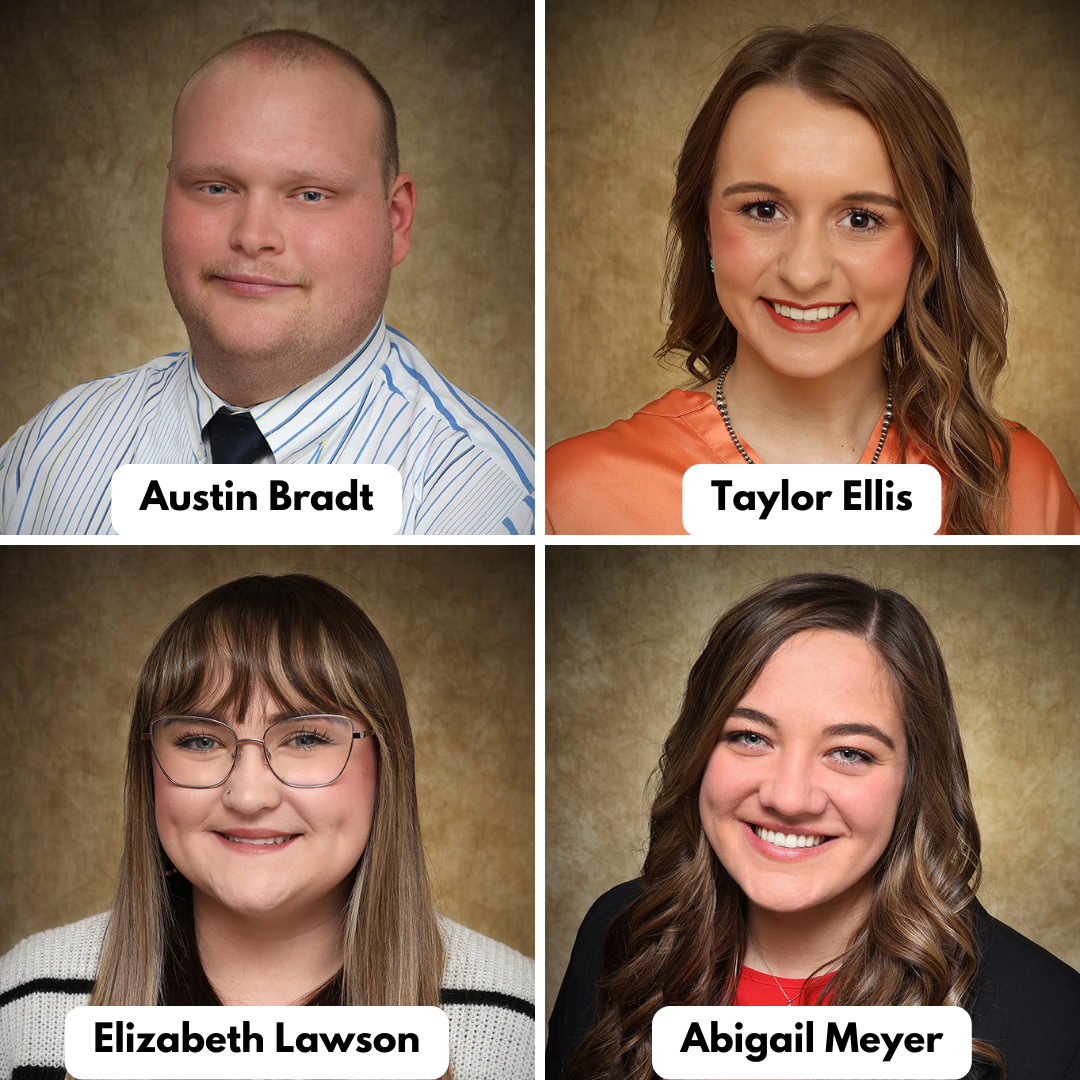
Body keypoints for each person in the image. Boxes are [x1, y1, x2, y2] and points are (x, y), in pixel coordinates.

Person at [545, 23, 1079, 535]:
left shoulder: (1018, 484)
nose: (803, 273)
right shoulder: (571, 496)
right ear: (705, 228)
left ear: (924, 245)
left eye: (862, 219)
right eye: (761, 209)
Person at [0, 29, 535, 535]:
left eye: (310, 194)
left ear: (395, 219)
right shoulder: (50, 451)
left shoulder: (486, 499)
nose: (253, 237)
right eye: (215, 187)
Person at [547, 573, 1080, 1080]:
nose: (788, 797)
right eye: (750, 737)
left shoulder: (1055, 1021)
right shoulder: (616, 933)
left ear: (916, 779)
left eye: (848, 752)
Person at [0, 574, 534, 1079]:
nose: (249, 796)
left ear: (386, 765)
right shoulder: (28, 998)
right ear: (149, 766)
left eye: (305, 739)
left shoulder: (517, 1019)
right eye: (200, 740)